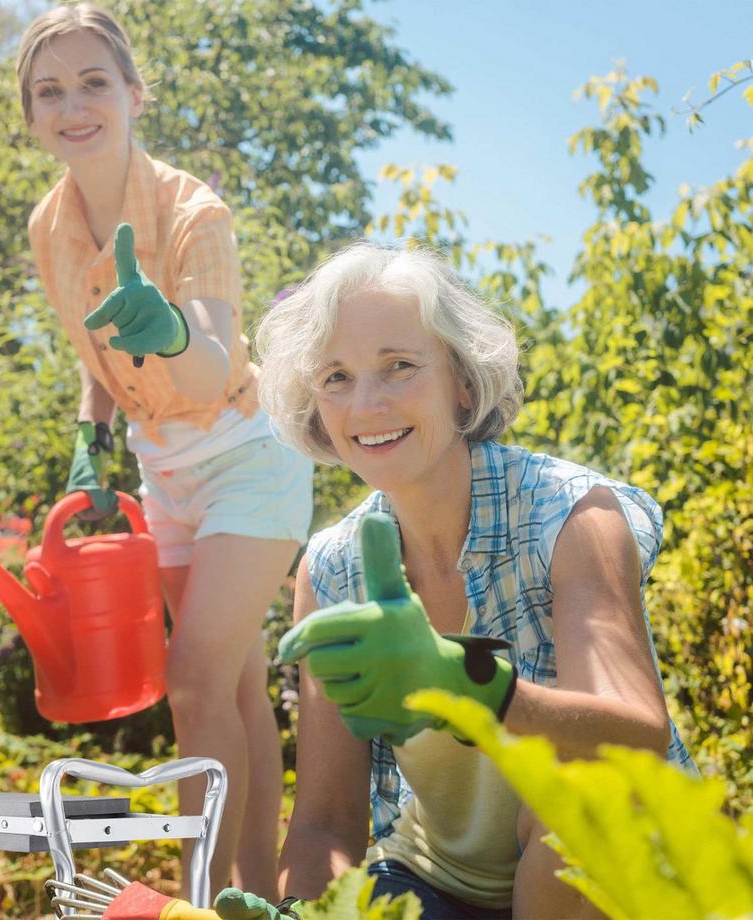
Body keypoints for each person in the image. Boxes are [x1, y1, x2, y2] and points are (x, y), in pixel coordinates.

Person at [244, 241, 695, 919]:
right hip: (436, 888)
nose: (366, 404)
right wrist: (303, 910)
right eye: (335, 377)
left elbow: (637, 734)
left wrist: (470, 685)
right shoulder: (332, 568)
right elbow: (326, 824)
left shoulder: (573, 515)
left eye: (398, 367)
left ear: (462, 380)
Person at [15, 4, 313, 898]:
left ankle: (199, 900)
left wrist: (172, 329)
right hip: (164, 472)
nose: (75, 106)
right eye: (50, 91)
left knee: (192, 683)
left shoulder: (195, 212)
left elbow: (218, 358)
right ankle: (262, 899)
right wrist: (90, 439)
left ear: (135, 93)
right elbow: (93, 354)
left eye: (94, 83)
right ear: (32, 118)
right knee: (234, 691)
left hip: (247, 455)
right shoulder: (47, 228)